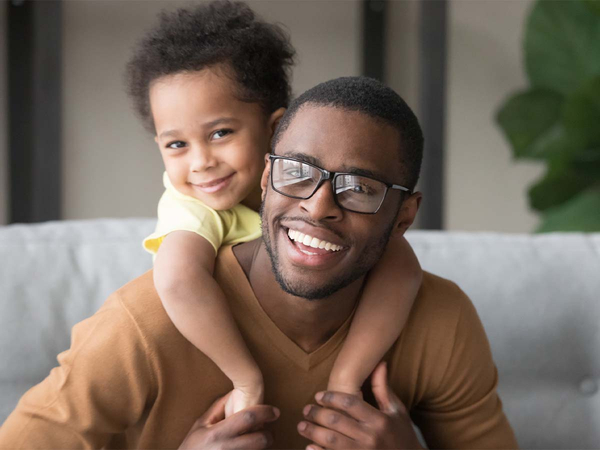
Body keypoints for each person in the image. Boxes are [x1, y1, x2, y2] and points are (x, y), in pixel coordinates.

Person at [0, 76, 518, 449]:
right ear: (267, 178)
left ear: (403, 216)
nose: (318, 207)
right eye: (298, 172)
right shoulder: (144, 325)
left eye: (359, 189)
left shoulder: (439, 321)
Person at [132, 0, 422, 416]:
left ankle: (343, 380)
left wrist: (346, 381)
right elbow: (179, 283)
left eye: (219, 133)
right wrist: (245, 379)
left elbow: (402, 268)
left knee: (400, 258)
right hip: (209, 360)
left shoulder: (301, 184)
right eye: (176, 144)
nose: (200, 162)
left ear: (274, 130)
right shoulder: (191, 207)